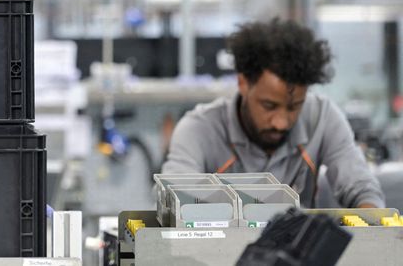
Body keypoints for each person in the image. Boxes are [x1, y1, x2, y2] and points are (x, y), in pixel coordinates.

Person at [162, 18, 384, 208]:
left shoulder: (322, 118)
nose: (281, 123)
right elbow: (172, 197)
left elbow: (362, 188)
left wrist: (370, 228)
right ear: (243, 83)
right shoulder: (199, 129)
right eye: (269, 106)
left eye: (294, 106)